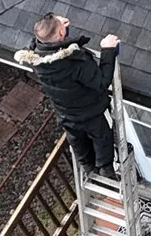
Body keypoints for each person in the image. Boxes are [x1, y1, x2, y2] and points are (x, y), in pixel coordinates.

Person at [18, 14, 124, 176]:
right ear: (61, 32)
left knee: (78, 142)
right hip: (90, 112)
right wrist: (108, 51)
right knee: (102, 138)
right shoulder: (74, 62)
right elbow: (101, 82)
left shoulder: (35, 58)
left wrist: (58, 26)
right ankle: (105, 171)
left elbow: (46, 36)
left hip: (66, 115)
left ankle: (88, 169)